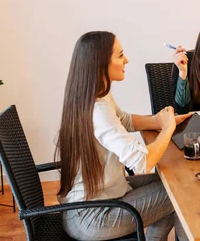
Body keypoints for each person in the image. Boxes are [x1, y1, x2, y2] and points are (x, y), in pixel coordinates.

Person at [56, 31, 191, 241]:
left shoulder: (94, 94)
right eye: (120, 56)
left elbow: (124, 120)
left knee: (173, 182)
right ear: (101, 63)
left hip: (101, 198)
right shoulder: (98, 110)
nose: (126, 60)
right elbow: (141, 162)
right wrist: (167, 130)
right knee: (180, 191)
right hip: (94, 216)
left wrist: (159, 120)